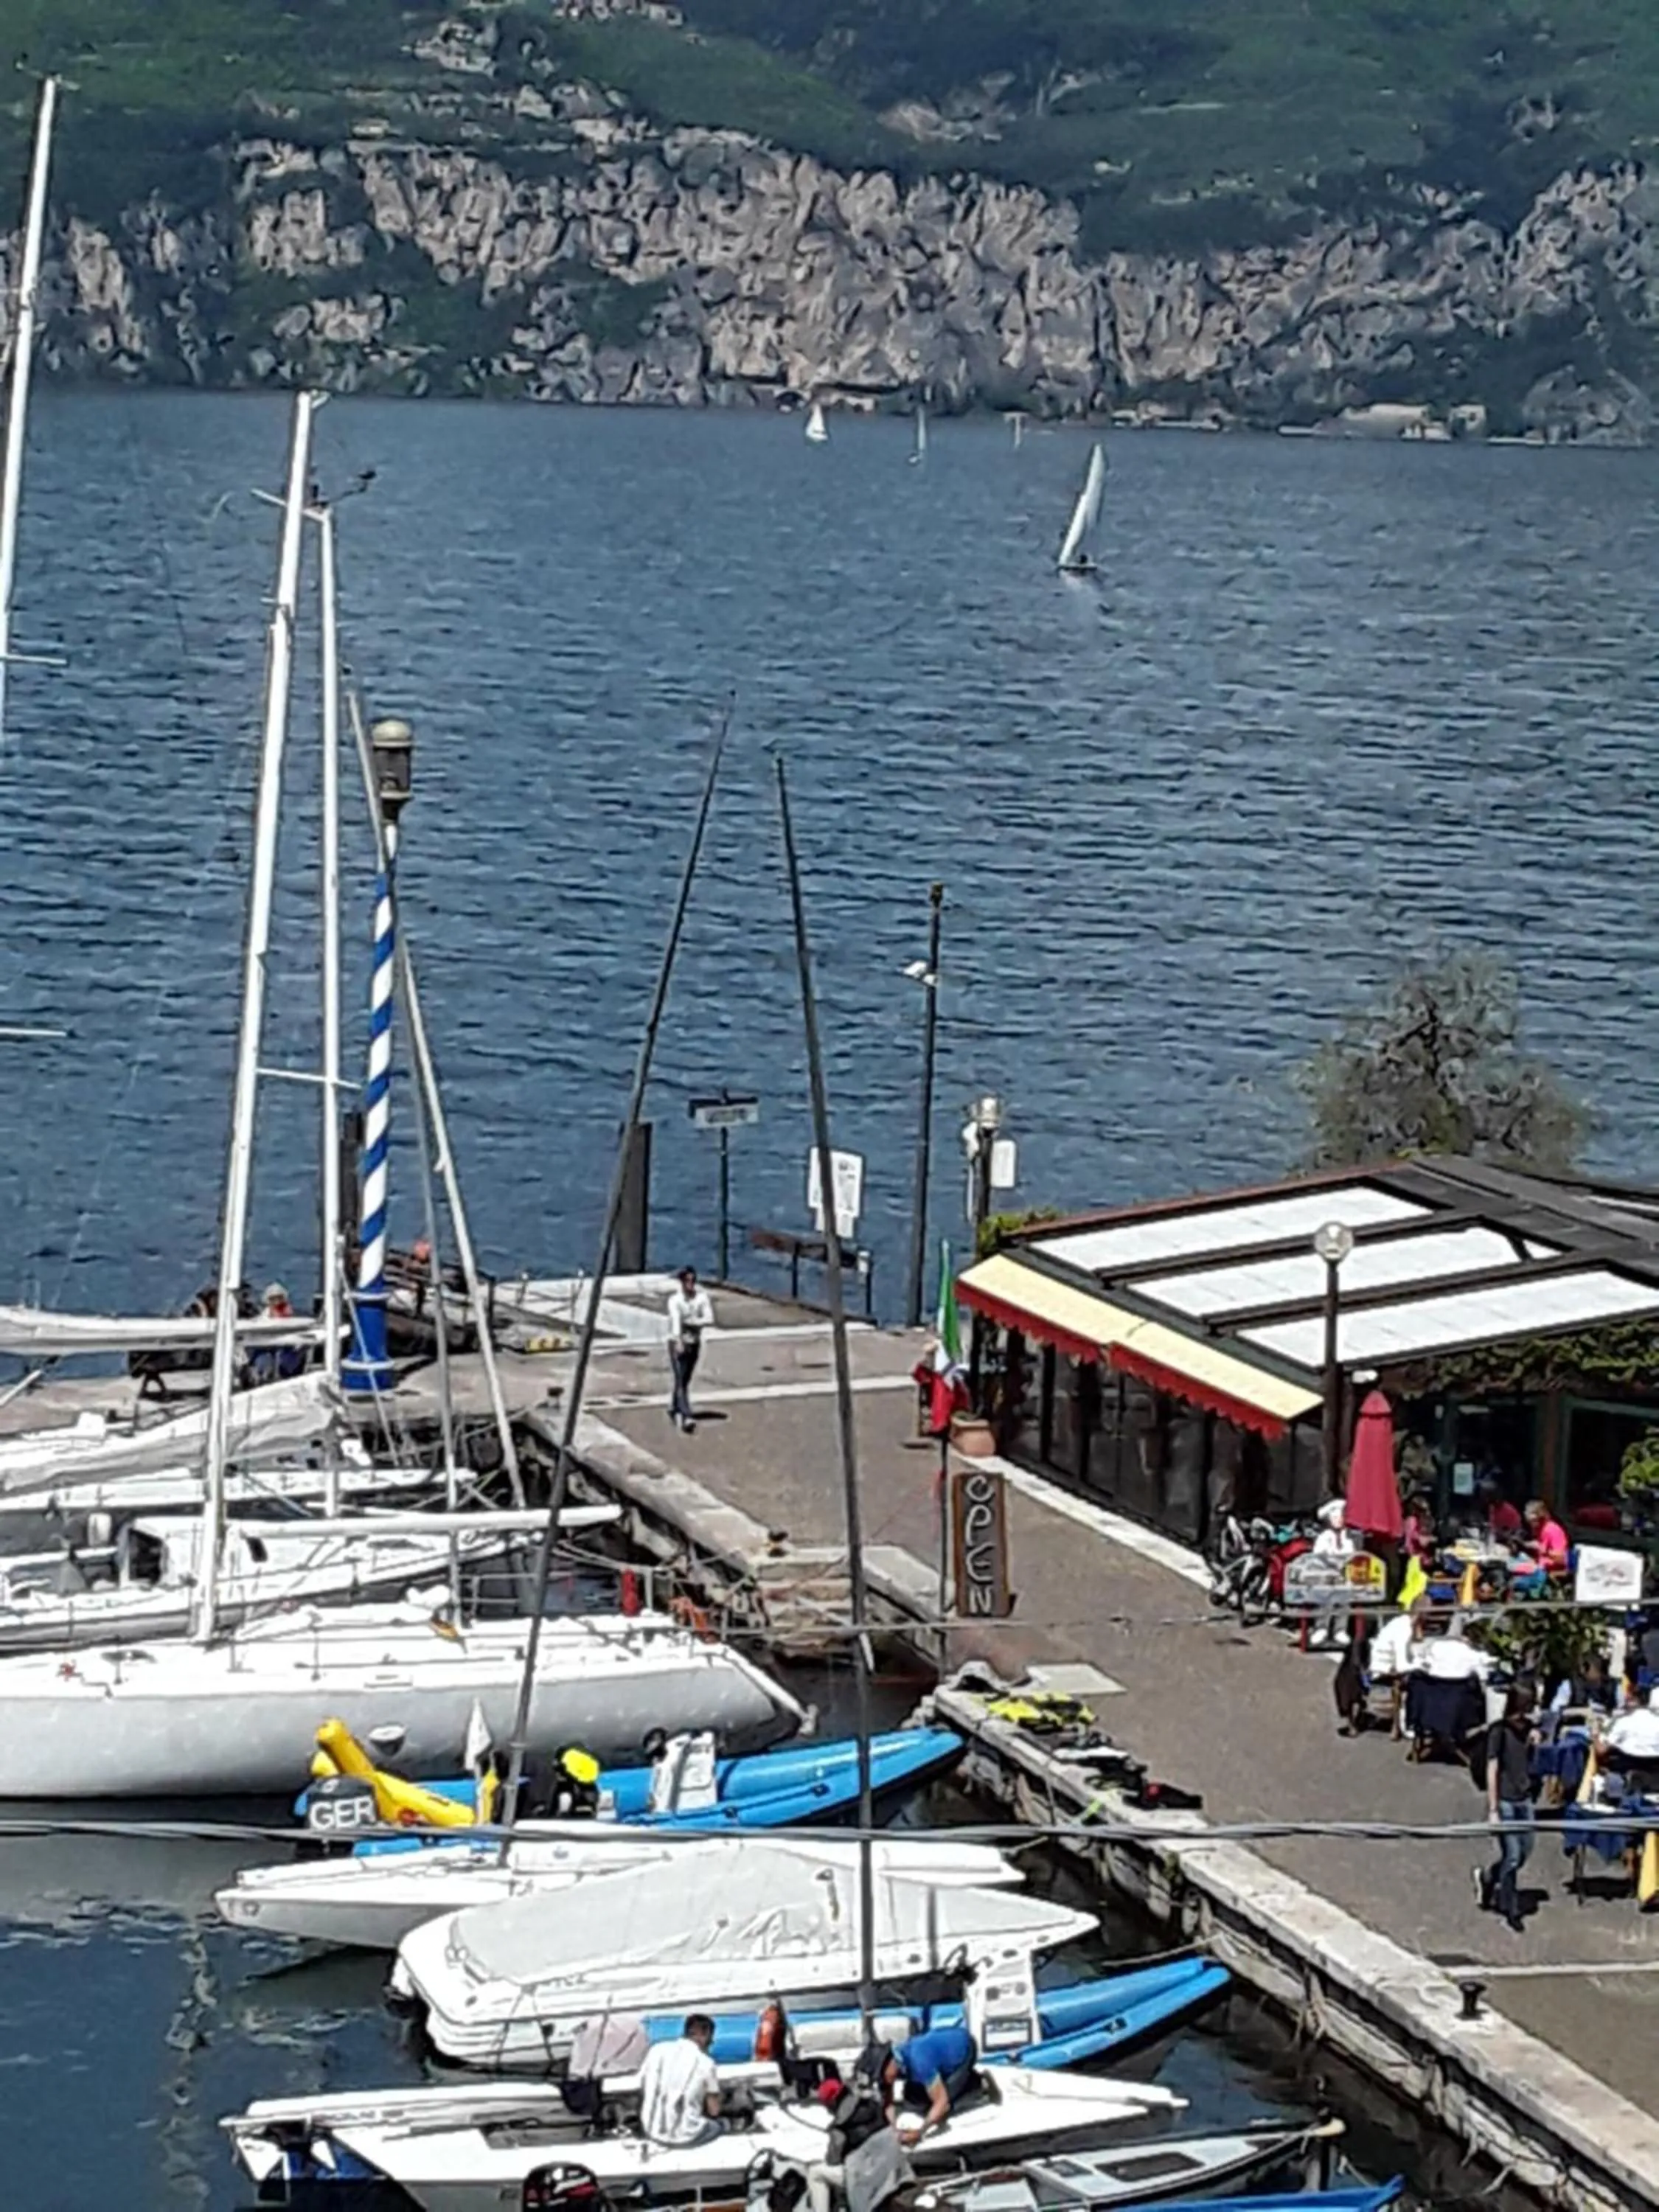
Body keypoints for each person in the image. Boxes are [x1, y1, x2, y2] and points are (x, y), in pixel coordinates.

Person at [1475, 1684, 1537, 1933]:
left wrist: (1534, 1742)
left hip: (1525, 1798)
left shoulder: (1529, 1730)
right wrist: (1493, 1808)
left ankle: (1489, 1878)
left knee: (1525, 1852)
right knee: (1512, 1855)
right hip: (1506, 1800)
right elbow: (1492, 1767)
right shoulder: (1499, 1731)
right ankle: (1510, 1906)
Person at [877, 2024, 978, 2145]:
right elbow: (888, 2102)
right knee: (913, 2103)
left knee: (940, 2105)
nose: (882, 2080)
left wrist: (920, 2132)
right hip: (937, 2047)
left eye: (882, 2077)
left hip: (964, 2048)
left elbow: (942, 2103)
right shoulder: (894, 2066)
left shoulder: (920, 2063)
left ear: (889, 2065)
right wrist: (893, 2131)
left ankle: (974, 2088)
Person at [638, 2014, 723, 2146]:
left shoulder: (656, 2050)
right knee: (719, 2125)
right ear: (706, 2036)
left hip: (651, 2130)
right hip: (687, 2136)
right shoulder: (706, 2063)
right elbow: (714, 2111)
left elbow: (644, 2086)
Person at [666, 1266, 714, 1433]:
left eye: (693, 1281)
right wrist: (678, 1340)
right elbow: (676, 1321)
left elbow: (709, 1318)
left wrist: (694, 1322)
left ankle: (674, 1406)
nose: (690, 1284)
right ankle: (687, 1416)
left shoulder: (701, 1298)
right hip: (678, 1342)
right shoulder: (675, 1300)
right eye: (687, 1281)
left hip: (694, 1342)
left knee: (685, 1379)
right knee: (680, 1380)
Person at [1606, 1686, 1659, 1765]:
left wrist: (1595, 1736)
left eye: (1628, 1699)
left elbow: (1601, 1750)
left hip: (1629, 1769)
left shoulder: (1623, 1721)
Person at [1523, 1498, 1570, 1574]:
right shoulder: (1539, 1529)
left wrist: (1541, 1548)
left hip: (1548, 1569)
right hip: (1539, 1564)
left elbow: (1562, 1558)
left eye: (1533, 1520)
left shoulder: (1552, 1530)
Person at [1478, 1477, 1523, 1542]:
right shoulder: (1492, 1508)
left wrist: (1504, 1535)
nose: (1483, 1499)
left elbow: (1518, 1533)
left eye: (1484, 1496)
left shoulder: (1508, 1511)